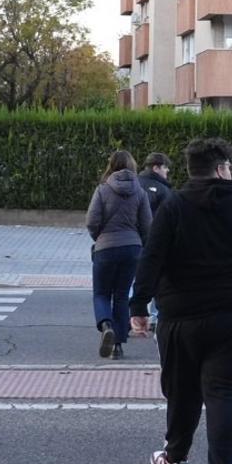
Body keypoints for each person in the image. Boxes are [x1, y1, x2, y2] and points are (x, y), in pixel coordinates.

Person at [129, 137, 232, 464]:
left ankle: (175, 458)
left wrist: (139, 304)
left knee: (182, 389)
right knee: (225, 393)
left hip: (180, 315)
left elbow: (153, 256)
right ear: (222, 167)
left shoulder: (174, 206)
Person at [85, 150, 152, 360]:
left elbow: (91, 221)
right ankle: (118, 346)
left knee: (102, 293)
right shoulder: (140, 192)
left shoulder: (102, 190)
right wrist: (139, 242)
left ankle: (106, 325)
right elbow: (147, 224)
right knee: (122, 295)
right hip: (132, 248)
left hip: (105, 247)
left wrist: (100, 237)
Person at [137, 152, 175, 331]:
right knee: (157, 277)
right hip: (154, 240)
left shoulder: (135, 185)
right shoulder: (164, 190)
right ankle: (153, 316)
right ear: (156, 168)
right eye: (165, 167)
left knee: (135, 278)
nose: (167, 171)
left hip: (133, 239)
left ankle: (134, 314)